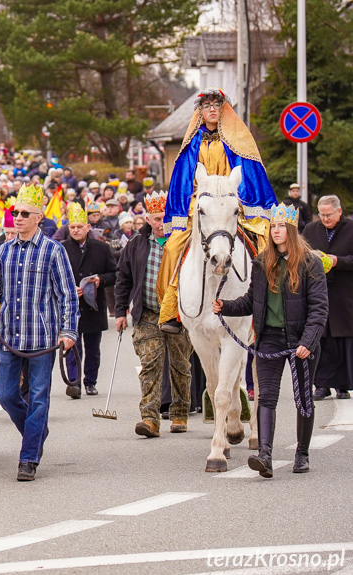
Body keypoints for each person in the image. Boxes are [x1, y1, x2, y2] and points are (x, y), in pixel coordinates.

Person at [0, 184, 79, 481]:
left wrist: (69, 331)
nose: (18, 217)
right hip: (10, 339)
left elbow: (68, 295)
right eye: (15, 213)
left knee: (39, 398)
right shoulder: (4, 251)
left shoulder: (55, 251)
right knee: (5, 393)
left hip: (42, 340)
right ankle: (35, 432)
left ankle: (28, 459)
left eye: (25, 213)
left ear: (39, 217)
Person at [214, 203, 328, 477]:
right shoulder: (262, 262)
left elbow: (319, 309)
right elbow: (252, 301)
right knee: (266, 398)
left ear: (291, 230)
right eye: (272, 227)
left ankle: (302, 453)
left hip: (302, 340)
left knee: (303, 400)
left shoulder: (311, 262)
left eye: (280, 227)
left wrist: (308, 342)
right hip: (270, 339)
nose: (276, 231)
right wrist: (225, 306)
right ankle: (265, 454)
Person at [158, 88, 276, 334]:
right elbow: (183, 182)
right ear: (200, 111)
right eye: (207, 105)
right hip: (202, 206)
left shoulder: (238, 141)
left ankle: (269, 305)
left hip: (232, 203)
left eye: (217, 104)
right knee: (172, 247)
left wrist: (240, 201)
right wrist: (190, 208)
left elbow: (247, 176)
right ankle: (172, 311)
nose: (212, 109)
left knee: (264, 244)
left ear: (224, 109)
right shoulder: (192, 143)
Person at [114, 192, 193, 437]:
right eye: (156, 219)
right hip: (147, 313)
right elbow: (123, 278)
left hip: (178, 314)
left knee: (180, 365)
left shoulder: (182, 243)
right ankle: (150, 419)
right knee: (150, 364)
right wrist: (120, 312)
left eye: (165, 218)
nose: (161, 224)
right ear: (147, 219)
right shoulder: (137, 244)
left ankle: (179, 413)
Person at [62, 203, 117, 398]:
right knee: (72, 346)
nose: (75, 230)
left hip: (94, 307)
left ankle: (90, 382)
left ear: (87, 228)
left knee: (93, 349)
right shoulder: (62, 249)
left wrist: (100, 280)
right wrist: (68, 288)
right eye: (72, 227)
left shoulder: (101, 248)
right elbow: (54, 277)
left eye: (79, 227)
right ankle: (74, 383)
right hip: (72, 306)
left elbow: (114, 274)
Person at [303, 195, 353, 400]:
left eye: (329, 215)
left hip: (345, 294)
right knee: (321, 339)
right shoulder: (310, 230)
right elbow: (301, 255)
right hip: (318, 293)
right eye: (322, 215)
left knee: (343, 340)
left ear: (339, 211)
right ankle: (321, 385)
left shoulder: (351, 229)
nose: (325, 219)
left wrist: (337, 261)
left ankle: (343, 385)